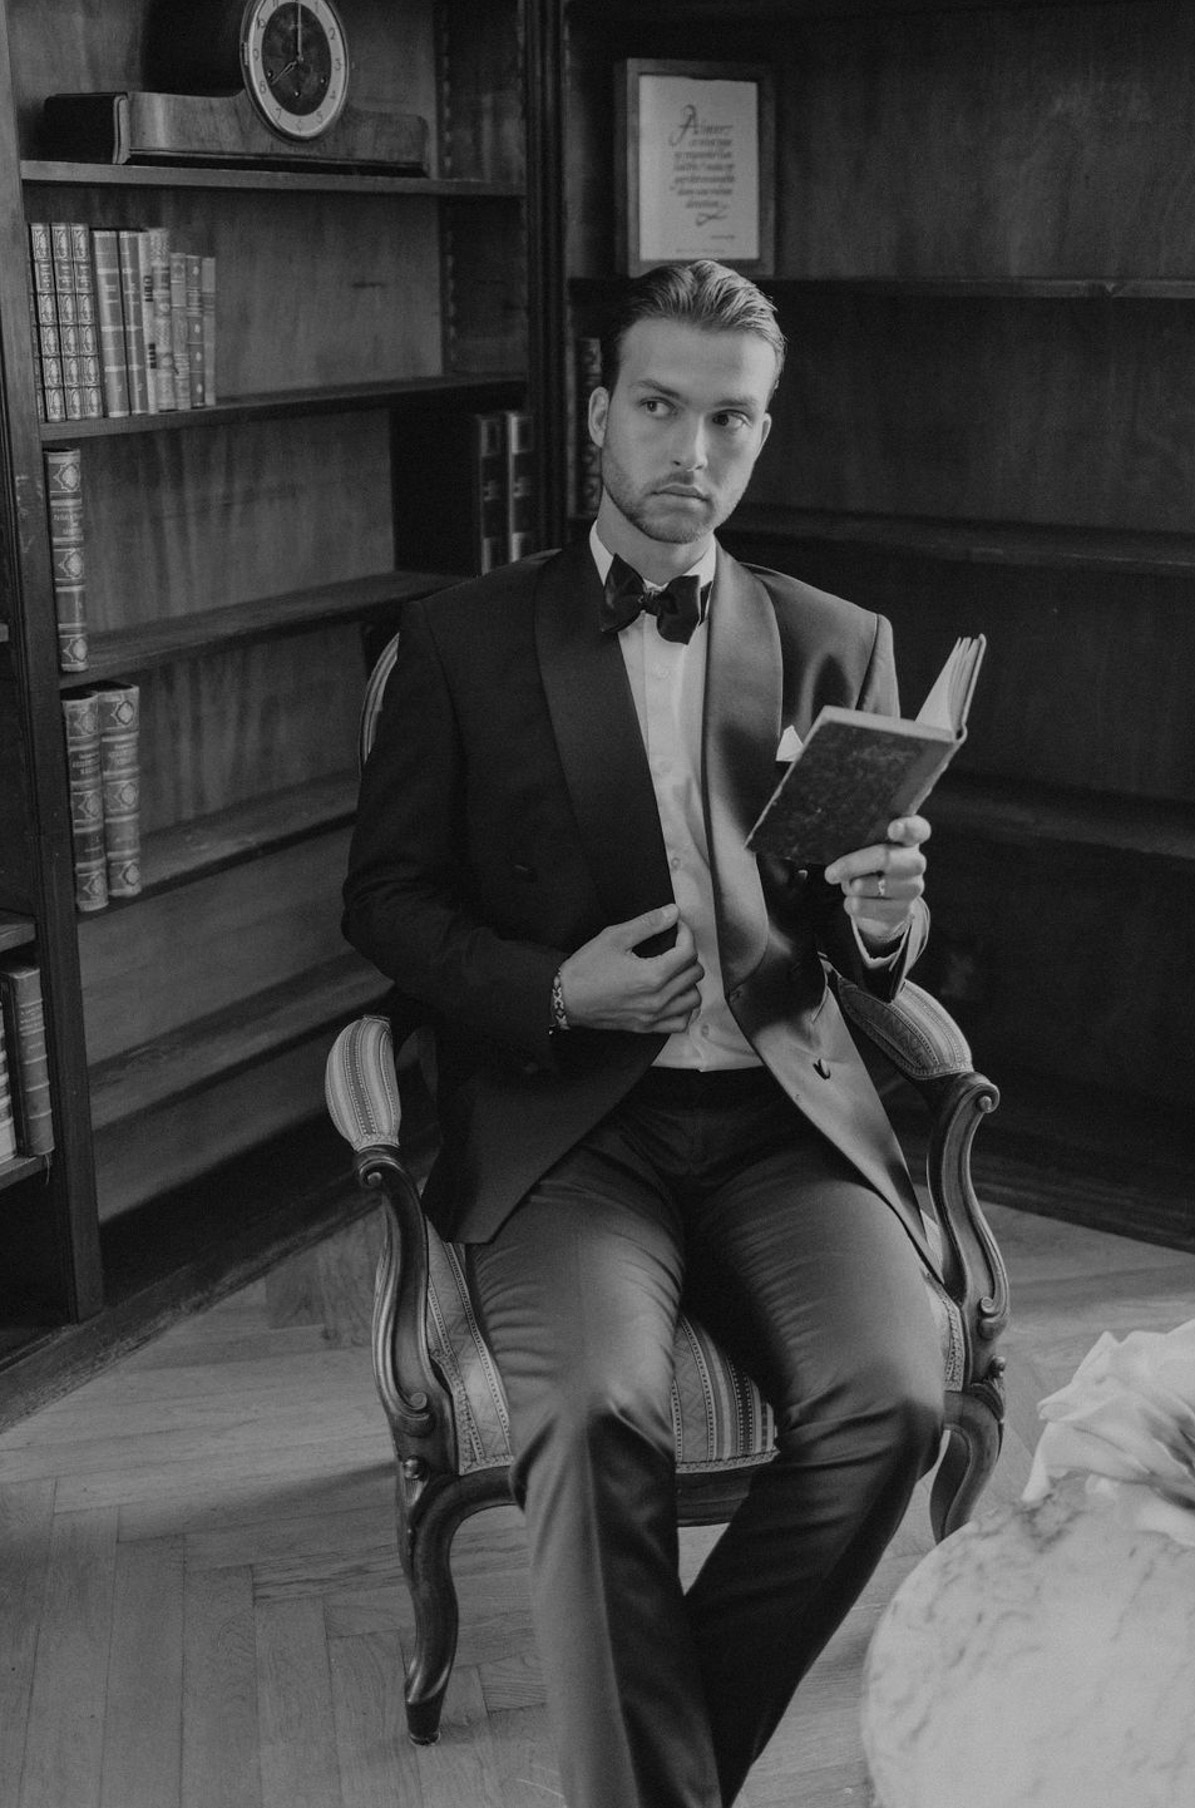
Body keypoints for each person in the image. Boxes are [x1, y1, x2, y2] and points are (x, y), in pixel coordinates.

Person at [342, 259, 944, 1808]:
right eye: (660, 408)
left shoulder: (837, 642)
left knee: (899, 1394)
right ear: (598, 412)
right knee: (598, 1406)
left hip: (778, 1121)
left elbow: (857, 950)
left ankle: (652, 1771)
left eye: (730, 420)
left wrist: (883, 921)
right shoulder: (463, 642)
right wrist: (553, 989)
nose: (692, 453)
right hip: (573, 1125)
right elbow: (386, 907)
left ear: (765, 431)